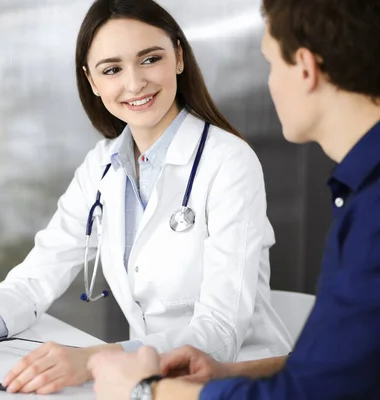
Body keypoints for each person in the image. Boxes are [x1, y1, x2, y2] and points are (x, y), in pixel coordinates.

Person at [0, 0, 293, 394]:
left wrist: (94, 360)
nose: (135, 83)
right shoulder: (102, 165)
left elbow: (220, 331)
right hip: (145, 384)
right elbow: (36, 278)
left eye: (150, 59)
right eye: (112, 69)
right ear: (92, 81)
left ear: (178, 57)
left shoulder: (229, 162)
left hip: (239, 382)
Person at [88, 0, 380, 398]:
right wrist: (225, 371)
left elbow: (312, 392)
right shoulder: (359, 192)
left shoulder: (372, 212)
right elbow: (343, 362)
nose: (270, 82)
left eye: (271, 64)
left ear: (306, 69)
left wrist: (147, 390)